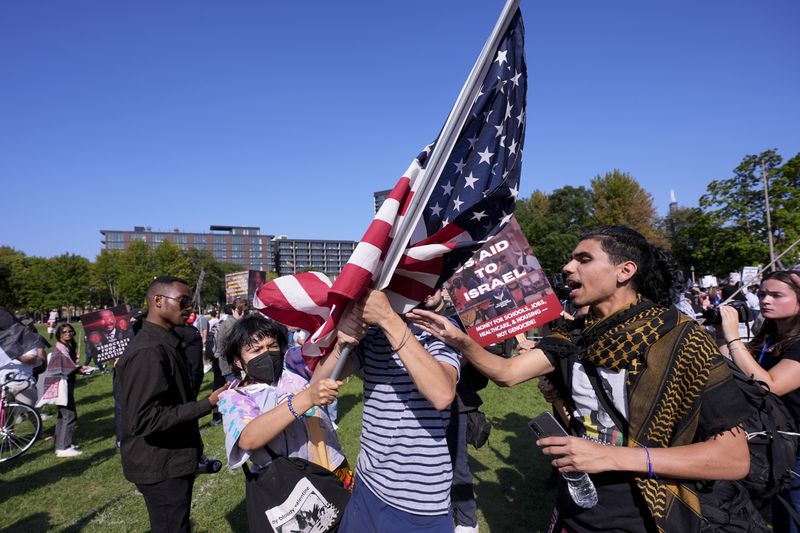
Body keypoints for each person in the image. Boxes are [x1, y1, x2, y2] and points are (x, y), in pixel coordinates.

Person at [410, 226, 752, 532]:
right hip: (576, 509)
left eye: (583, 259)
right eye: (571, 260)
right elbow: (507, 373)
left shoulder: (681, 339)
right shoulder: (574, 337)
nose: (567, 268)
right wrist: (461, 340)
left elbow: (733, 459)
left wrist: (612, 457)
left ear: (625, 271)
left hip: (649, 515)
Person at [314, 288, 461, 533]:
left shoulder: (439, 329)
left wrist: (388, 319)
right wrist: (342, 345)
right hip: (367, 484)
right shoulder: (373, 335)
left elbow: (442, 394)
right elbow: (316, 386)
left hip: (418, 502)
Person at [217, 314, 352, 529]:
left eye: (272, 346)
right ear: (237, 360)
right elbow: (248, 439)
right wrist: (306, 398)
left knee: (351, 521)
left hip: (334, 468)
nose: (267, 353)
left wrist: (342, 344)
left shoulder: (292, 369)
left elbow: (324, 370)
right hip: (294, 486)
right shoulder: (236, 397)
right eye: (256, 350)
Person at [116, 276, 227, 533]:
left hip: (173, 458)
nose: (189, 308)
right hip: (160, 466)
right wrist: (207, 404)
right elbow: (145, 419)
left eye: (190, 301)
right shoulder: (149, 350)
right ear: (157, 301)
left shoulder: (167, 341)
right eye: (183, 301)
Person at [720, 270, 800, 533]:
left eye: (777, 295)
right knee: (780, 518)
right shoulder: (770, 334)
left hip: (796, 448)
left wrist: (733, 338)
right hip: (774, 443)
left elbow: (770, 385)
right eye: (763, 293)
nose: (766, 300)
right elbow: (735, 362)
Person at [49, 323, 83, 457]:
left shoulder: (67, 347)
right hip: (62, 385)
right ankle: (64, 448)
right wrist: (77, 369)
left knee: (63, 415)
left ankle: (60, 444)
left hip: (67, 383)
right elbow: (63, 366)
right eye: (64, 332)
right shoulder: (59, 349)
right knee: (69, 415)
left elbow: (69, 365)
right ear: (59, 334)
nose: (68, 334)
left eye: (70, 331)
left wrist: (76, 366)